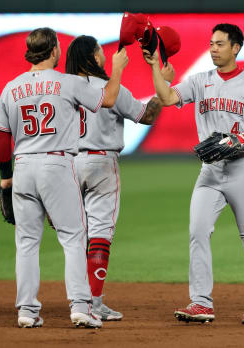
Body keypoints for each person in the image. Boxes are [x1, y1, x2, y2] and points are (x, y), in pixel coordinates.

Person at [143, 23, 244, 325]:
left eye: (220, 44)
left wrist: (241, 139)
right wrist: (155, 66)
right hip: (211, 170)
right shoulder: (199, 81)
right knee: (198, 231)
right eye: (211, 43)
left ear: (236, 48)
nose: (213, 49)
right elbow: (167, 97)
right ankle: (201, 303)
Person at [0, 27, 128, 328]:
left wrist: (6, 179)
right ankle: (81, 307)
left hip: (23, 167)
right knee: (73, 237)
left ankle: (27, 312)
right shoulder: (67, 83)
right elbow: (107, 100)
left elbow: (2, 137)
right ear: (54, 50)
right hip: (56, 165)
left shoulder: (11, 87)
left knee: (26, 242)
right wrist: (116, 69)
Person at [64, 35, 174, 321]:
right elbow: (146, 115)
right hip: (101, 162)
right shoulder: (109, 87)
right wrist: (165, 85)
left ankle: (77, 299)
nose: (103, 55)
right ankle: (94, 302)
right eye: (100, 52)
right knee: (99, 234)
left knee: (75, 235)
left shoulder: (60, 88)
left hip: (66, 164)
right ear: (92, 57)